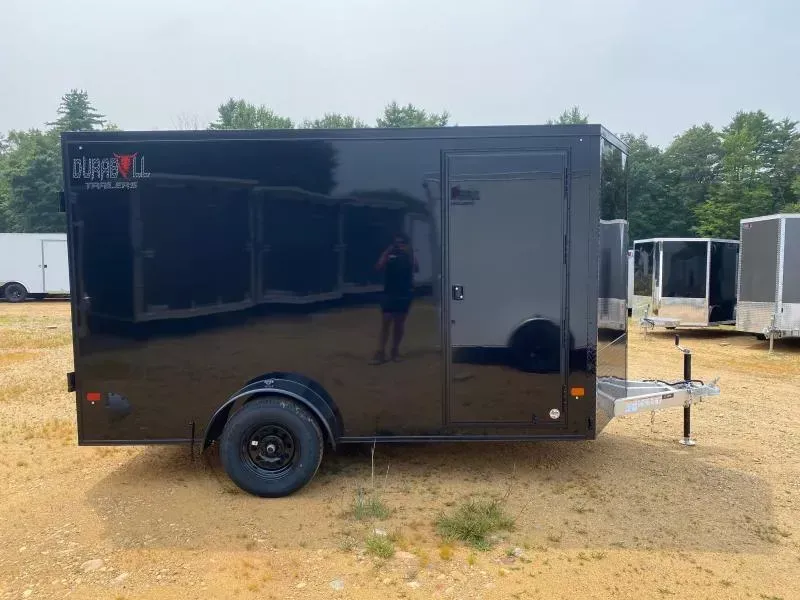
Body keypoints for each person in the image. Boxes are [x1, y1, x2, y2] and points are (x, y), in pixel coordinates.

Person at [371, 233, 418, 364]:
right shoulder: (389, 255)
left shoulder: (409, 255)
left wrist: (410, 252)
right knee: (386, 322)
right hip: (390, 292)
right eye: (397, 242)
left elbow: (416, 268)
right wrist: (387, 251)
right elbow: (378, 267)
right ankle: (380, 352)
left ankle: (395, 351)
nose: (399, 245)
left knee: (399, 323)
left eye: (402, 242)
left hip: (404, 293)